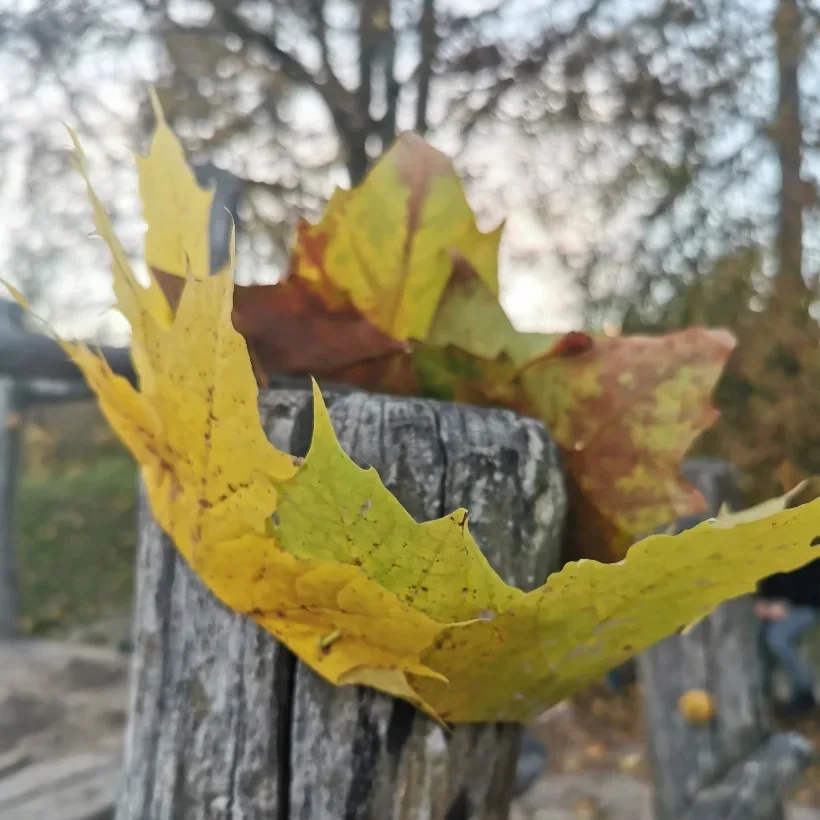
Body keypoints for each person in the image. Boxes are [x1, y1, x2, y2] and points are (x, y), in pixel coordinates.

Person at [756, 557, 820, 716]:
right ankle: (768, 694)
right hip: (779, 606)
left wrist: (787, 605)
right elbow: (771, 578)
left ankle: (805, 693)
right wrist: (765, 602)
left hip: (808, 606)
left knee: (778, 639)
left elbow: (813, 587)